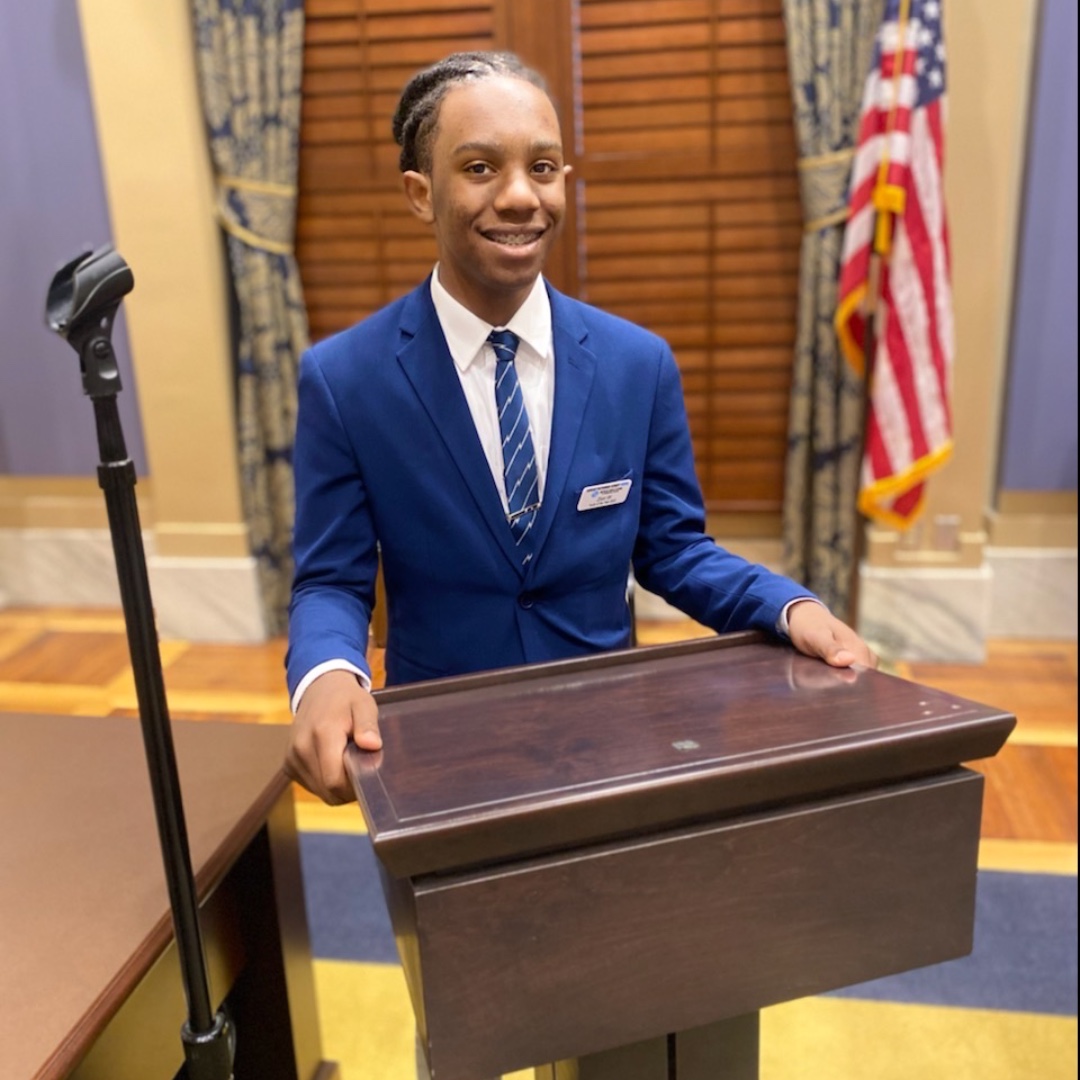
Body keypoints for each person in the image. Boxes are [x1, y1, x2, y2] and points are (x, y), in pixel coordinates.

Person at [284, 51, 877, 808]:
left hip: (608, 741)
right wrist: (329, 675)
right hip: (436, 747)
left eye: (543, 166)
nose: (519, 196)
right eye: (478, 168)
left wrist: (792, 608)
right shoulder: (345, 379)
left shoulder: (639, 364)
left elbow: (675, 549)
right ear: (419, 193)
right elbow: (331, 578)